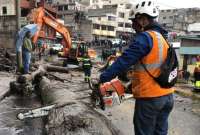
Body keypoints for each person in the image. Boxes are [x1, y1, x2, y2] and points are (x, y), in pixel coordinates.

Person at [99, 1, 174, 135]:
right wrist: (132, 85)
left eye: (134, 21)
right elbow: (154, 69)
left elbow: (123, 61)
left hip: (150, 99)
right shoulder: (163, 38)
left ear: (143, 20)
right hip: (167, 97)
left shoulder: (146, 37)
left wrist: (103, 77)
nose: (133, 26)